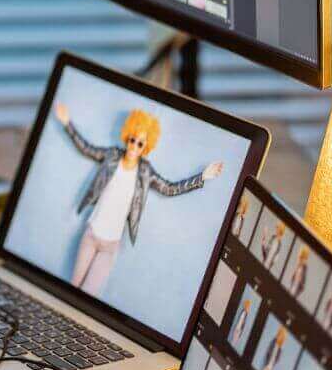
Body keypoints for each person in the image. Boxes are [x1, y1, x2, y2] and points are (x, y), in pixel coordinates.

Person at [54, 104, 224, 297]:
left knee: (88, 294)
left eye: (140, 143)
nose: (134, 146)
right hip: (91, 235)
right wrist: (67, 122)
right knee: (72, 288)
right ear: (127, 137)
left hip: (110, 246)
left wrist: (201, 177)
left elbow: (169, 188)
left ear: (146, 147)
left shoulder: (145, 172)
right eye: (132, 140)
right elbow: (87, 149)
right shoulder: (111, 156)